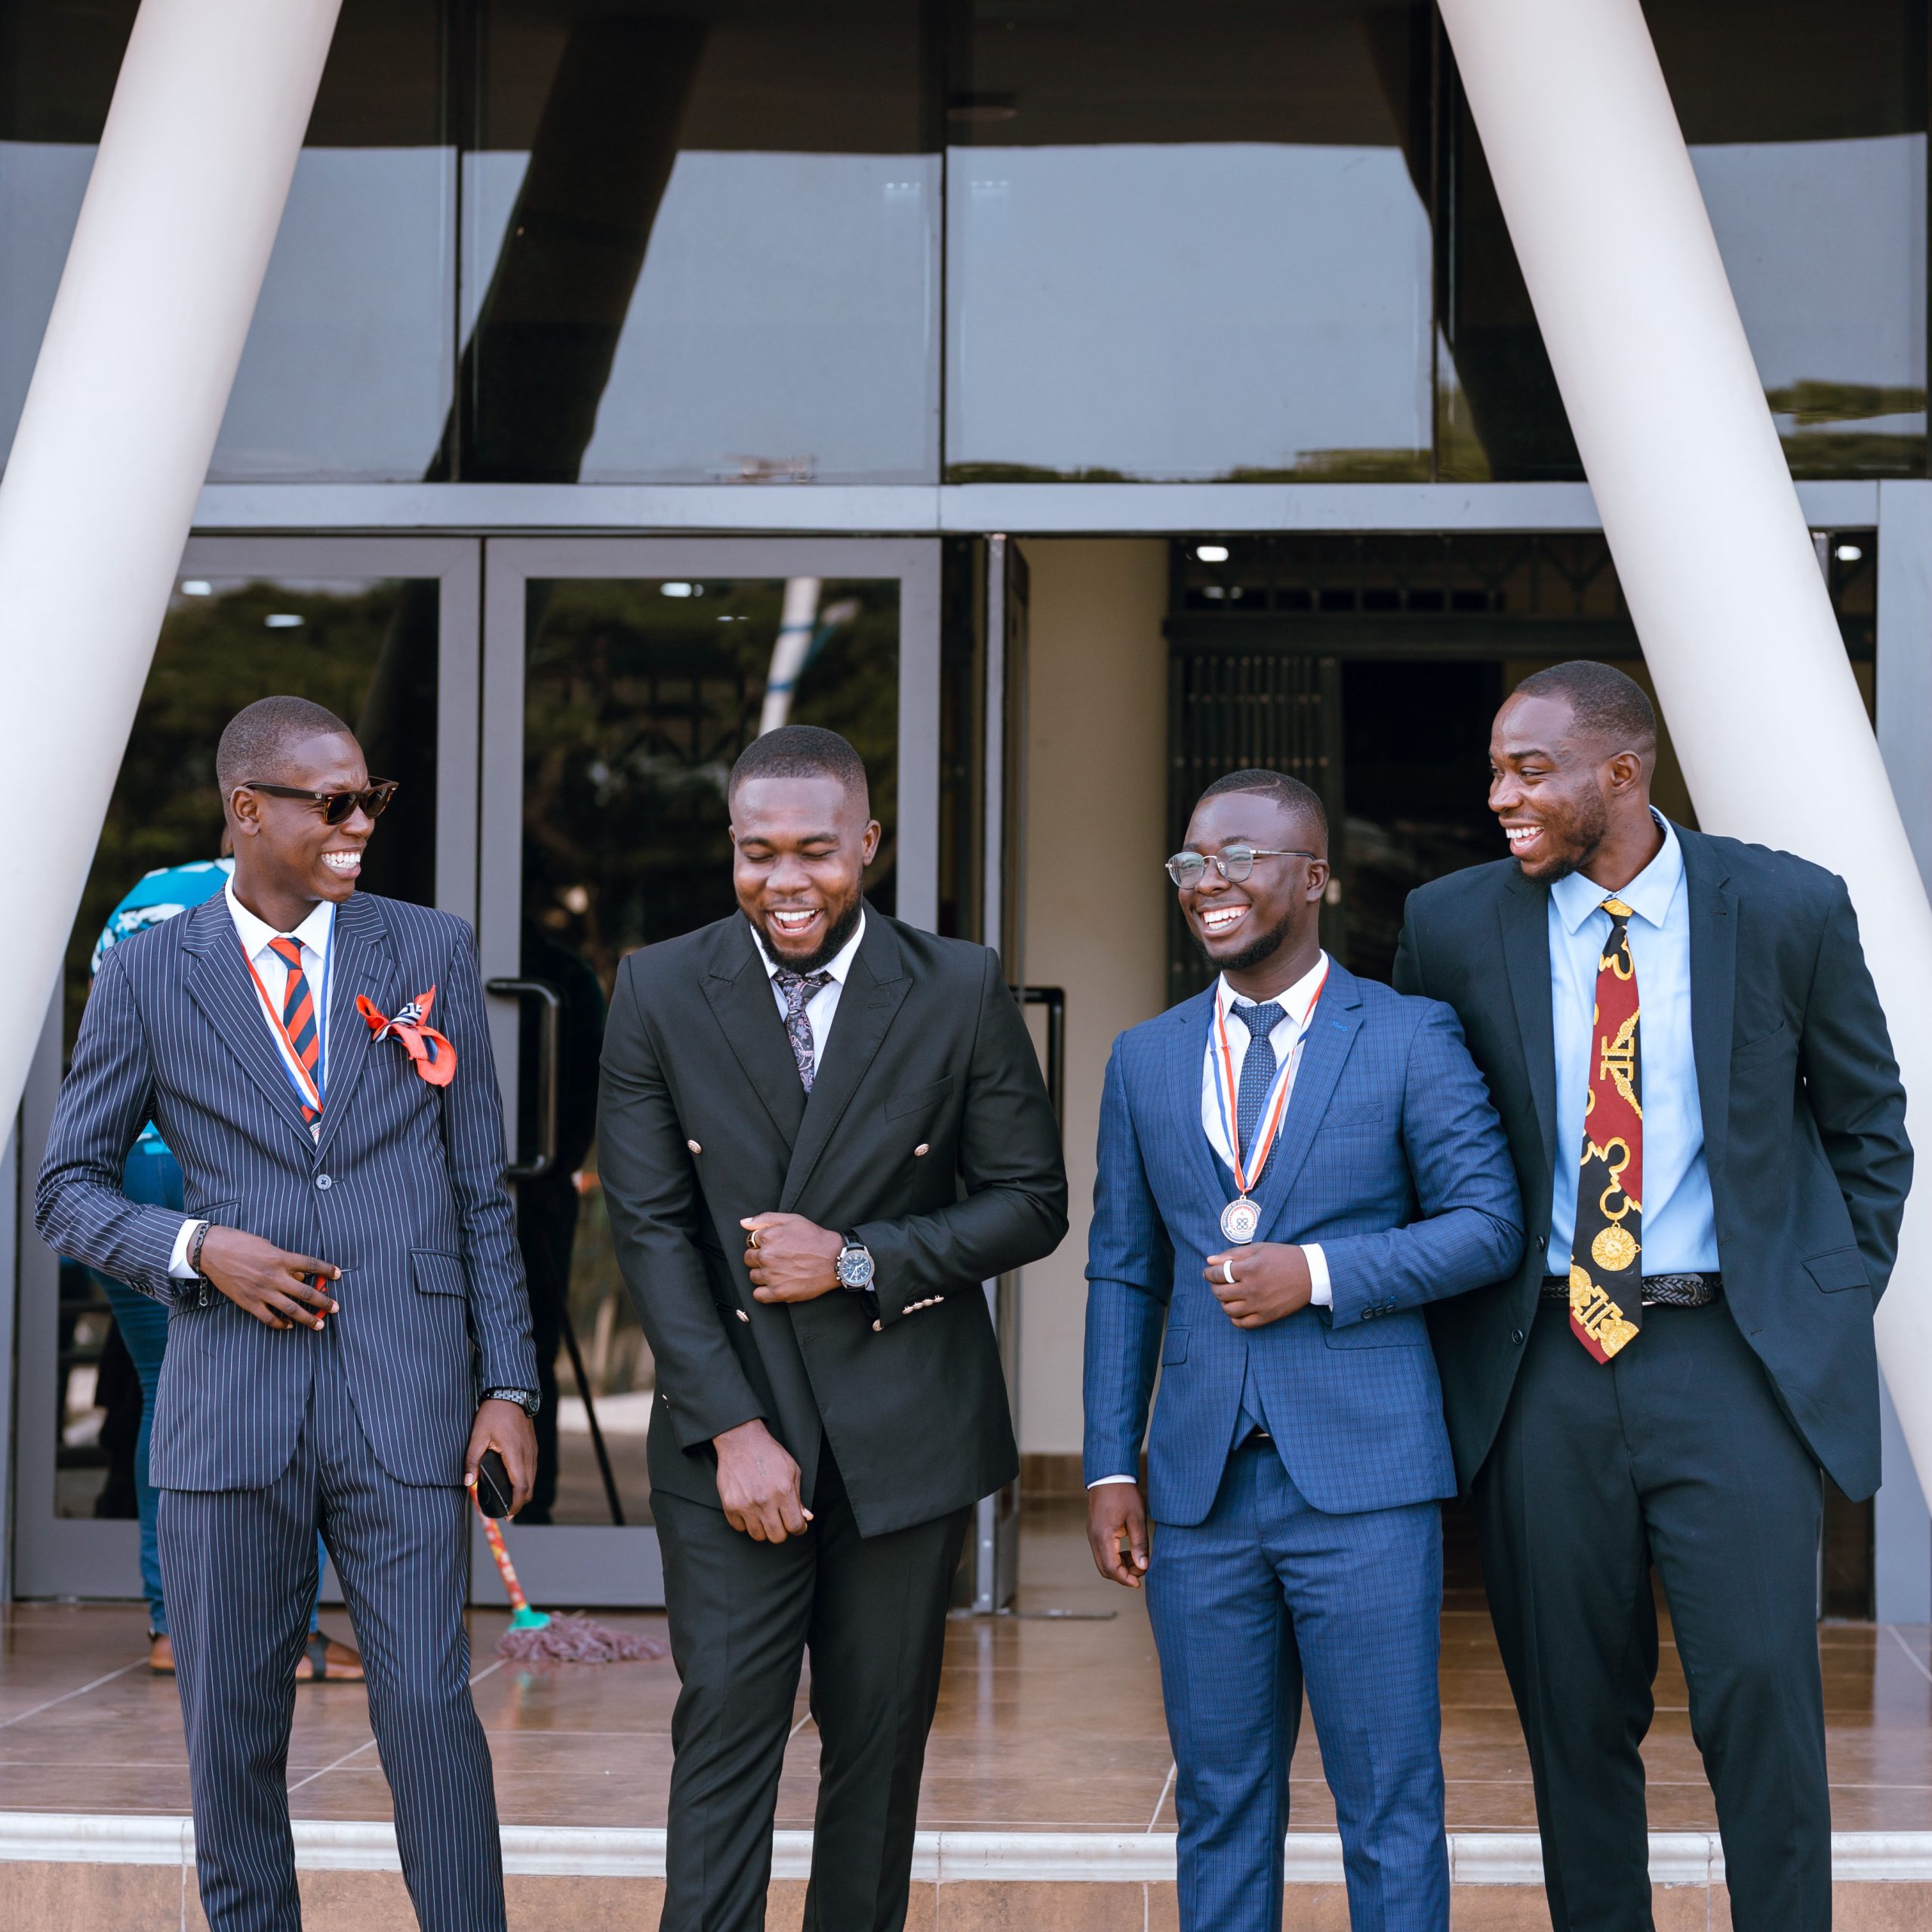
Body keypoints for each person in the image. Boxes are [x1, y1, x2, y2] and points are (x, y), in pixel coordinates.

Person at [1393, 661, 1912, 1932]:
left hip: (1729, 1355)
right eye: (1499, 766)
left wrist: (1819, 1301)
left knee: (1762, 1695)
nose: (1500, 794)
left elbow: (1870, 1129)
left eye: (1531, 769)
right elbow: (1415, 1142)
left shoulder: (1787, 906)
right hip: (1542, 1364)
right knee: (1573, 1713)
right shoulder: (1452, 925)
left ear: (1622, 774)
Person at [38, 695, 541, 1932]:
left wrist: (510, 1390)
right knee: (234, 1739)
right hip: (229, 1412)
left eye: (369, 797)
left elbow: (484, 1192)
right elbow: (67, 1189)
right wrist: (199, 1250)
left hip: (403, 1396)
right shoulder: (152, 968)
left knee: (427, 1712)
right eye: (332, 800)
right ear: (247, 809)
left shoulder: (425, 950)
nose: (357, 821)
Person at [597, 723, 1067, 1932]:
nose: (786, 883)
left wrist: (857, 1259)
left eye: (815, 851)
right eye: (759, 854)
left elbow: (1031, 1203)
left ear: (870, 842)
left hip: (906, 1429)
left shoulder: (958, 984)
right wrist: (733, 1431)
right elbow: (649, 1228)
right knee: (724, 1739)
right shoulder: (658, 985)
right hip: (730, 1435)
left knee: (877, 1755)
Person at [1084, 768, 1523, 1932]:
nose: (1210, 883)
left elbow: (1490, 1225)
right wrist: (1108, 1466)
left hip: (1367, 1482)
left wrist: (1320, 1274)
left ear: (1316, 877)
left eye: (1242, 858)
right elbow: (1124, 1271)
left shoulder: (1413, 1035)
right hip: (1199, 1489)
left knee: (1387, 1800)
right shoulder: (1144, 1058)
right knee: (1221, 1799)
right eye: (1192, 862)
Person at [85, 856, 361, 1680]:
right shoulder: (305, 910)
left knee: (169, 1393)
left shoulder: (142, 899)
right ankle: (290, 1633)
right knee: (289, 1389)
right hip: (230, 1171)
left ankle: (175, 1623)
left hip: (132, 1169)